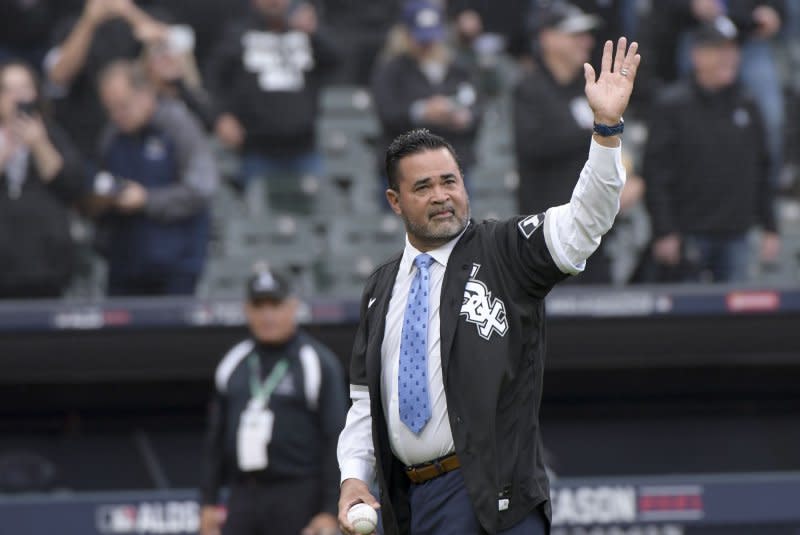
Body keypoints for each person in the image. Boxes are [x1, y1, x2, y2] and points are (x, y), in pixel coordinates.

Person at [336, 36, 640, 535]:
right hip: (414, 499)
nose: (441, 196)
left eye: (449, 181)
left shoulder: (505, 250)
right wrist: (352, 477)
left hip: (497, 495)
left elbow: (586, 221)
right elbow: (365, 404)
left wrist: (606, 131)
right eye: (423, 187)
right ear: (395, 201)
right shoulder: (380, 287)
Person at [200, 266, 348, 535]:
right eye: (259, 306)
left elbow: (336, 439)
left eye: (275, 304)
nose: (267, 315)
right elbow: (215, 440)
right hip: (244, 493)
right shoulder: (234, 362)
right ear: (247, 310)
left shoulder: (316, 361)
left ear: (292, 307)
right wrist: (209, 502)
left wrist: (329, 510)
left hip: (299, 495)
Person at [642, 21, 780, 283]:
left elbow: (763, 166)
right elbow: (655, 173)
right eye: (719, 50)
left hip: (738, 233)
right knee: (688, 318)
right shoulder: (673, 105)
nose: (729, 58)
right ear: (698, 54)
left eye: (733, 50)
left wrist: (770, 226)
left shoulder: (747, 104)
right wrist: (664, 230)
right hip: (688, 234)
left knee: (738, 319)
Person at [93, 59, 218, 296]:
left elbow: (202, 188)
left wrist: (147, 200)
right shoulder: (111, 136)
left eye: (123, 106)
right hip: (124, 263)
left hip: (176, 265)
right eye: (109, 109)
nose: (117, 115)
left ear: (145, 94)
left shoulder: (178, 125)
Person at [513, 1, 617, 283]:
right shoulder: (529, 89)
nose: (586, 41)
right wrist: (596, 132)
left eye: (586, 34)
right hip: (550, 236)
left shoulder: (589, 89)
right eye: (575, 34)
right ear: (548, 38)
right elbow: (533, 144)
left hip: (594, 233)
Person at [205, 0, 339, 211]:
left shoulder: (305, 33)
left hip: (305, 148)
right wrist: (220, 116)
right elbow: (213, 79)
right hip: (257, 152)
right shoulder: (238, 34)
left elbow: (337, 60)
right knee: (259, 227)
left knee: (314, 224)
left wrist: (314, 33)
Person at [371, 0, 483, 198]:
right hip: (407, 169)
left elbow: (477, 108)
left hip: (453, 166)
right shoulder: (391, 70)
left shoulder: (457, 68)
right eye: (420, 38)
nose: (427, 45)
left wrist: (462, 117)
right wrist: (423, 112)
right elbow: (387, 114)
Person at [0, 59, 85, 299]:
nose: (17, 98)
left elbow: (73, 186)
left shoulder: (52, 134)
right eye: (8, 89)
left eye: (24, 88)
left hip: (45, 269)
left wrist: (39, 145)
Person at [44, 0, 169, 161]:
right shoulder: (70, 25)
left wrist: (129, 12)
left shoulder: (151, 14)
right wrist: (89, 21)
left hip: (149, 129)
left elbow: (175, 54)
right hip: (90, 131)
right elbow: (58, 77)